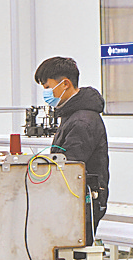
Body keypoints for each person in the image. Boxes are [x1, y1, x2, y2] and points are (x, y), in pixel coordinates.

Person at [34, 57, 110, 234]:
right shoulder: (71, 115)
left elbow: (69, 166)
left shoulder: (82, 122)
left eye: (47, 87)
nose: (46, 93)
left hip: (80, 203)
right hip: (73, 201)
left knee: (75, 250)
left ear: (65, 84)